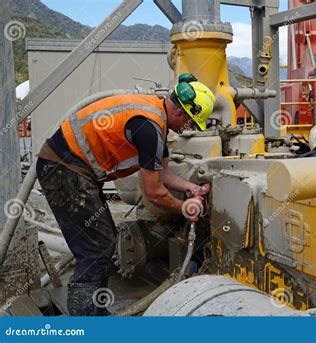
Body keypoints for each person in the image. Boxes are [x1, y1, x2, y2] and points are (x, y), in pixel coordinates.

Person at [36, 73, 215, 316]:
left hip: (74, 170)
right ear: (181, 112)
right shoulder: (150, 128)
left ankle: (96, 314)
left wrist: (191, 189)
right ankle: (84, 320)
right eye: (191, 123)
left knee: (105, 240)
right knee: (95, 247)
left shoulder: (157, 122)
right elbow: (154, 193)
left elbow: (162, 173)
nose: (188, 129)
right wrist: (184, 208)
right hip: (63, 169)